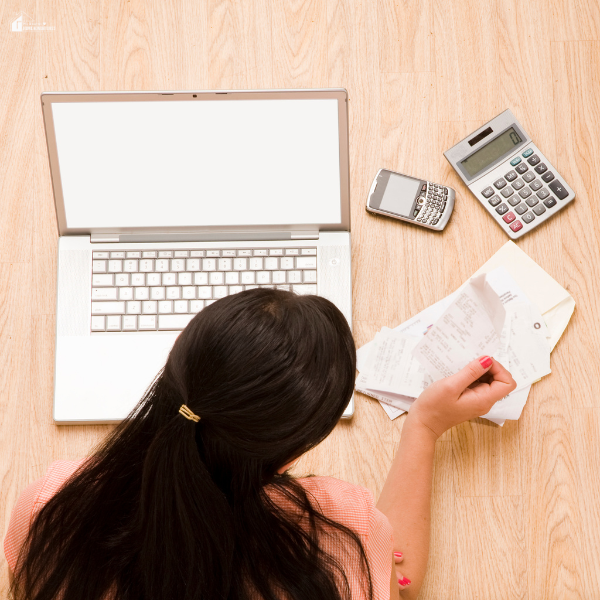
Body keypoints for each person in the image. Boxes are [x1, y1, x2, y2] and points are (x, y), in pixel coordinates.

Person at [4, 288, 516, 600]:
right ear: (290, 451)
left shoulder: (51, 506)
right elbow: (398, 582)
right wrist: (423, 426)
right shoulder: (345, 536)